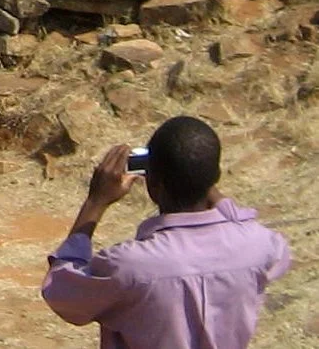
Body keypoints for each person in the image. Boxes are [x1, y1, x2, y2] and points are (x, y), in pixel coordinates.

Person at [42, 117, 291, 349]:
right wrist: (204, 181)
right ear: (215, 177)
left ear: (153, 185)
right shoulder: (261, 245)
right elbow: (258, 237)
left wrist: (95, 203)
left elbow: (61, 291)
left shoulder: (130, 266)